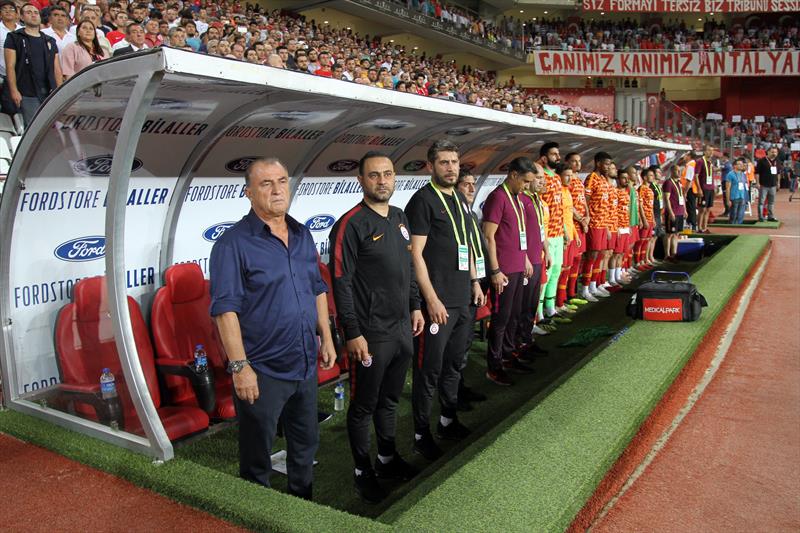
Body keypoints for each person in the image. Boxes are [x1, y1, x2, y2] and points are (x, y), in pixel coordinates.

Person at [210, 157, 337, 501]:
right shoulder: (232, 244)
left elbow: (316, 288)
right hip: (262, 370)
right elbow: (225, 311)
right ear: (249, 193)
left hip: (304, 362)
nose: (277, 189)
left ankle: (302, 505)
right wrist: (240, 368)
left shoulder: (302, 234)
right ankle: (258, 514)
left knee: (305, 444)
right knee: (257, 456)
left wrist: (325, 336)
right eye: (266, 184)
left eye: (282, 181)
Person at [328, 152, 424, 504]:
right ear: (361, 180)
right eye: (374, 175)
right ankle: (362, 472)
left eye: (387, 174)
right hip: (370, 334)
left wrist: (415, 306)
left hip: (401, 328)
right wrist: (352, 332)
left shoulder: (399, 217)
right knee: (364, 405)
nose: (382, 181)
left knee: (390, 399)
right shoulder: (350, 224)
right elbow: (341, 282)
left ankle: (386, 458)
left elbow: (408, 268)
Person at [404, 139, 484, 460]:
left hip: (463, 297)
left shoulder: (460, 199)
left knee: (454, 365)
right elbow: (416, 255)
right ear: (430, 166)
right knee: (429, 371)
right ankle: (421, 434)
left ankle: (447, 420)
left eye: (454, 162)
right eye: (444, 163)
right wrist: (431, 299)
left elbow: (466, 244)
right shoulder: (422, 201)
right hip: (437, 304)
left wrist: (474, 281)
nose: (451, 168)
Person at [482, 157, 536, 386]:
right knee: (501, 319)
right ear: (513, 175)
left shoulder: (517, 198)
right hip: (503, 271)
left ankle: (507, 356)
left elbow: (517, 233)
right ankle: (494, 367)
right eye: (525, 181)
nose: (527, 186)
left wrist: (525, 259)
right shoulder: (498, 197)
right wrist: (495, 270)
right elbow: (488, 236)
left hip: (518, 267)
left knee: (514, 316)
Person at [454, 170, 488, 409]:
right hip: (462, 286)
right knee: (457, 344)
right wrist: (473, 281)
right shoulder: (454, 215)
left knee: (466, 340)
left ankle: (460, 386)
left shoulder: (472, 213)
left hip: (476, 283)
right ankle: (452, 394)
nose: (471, 188)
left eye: (473, 184)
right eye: (465, 184)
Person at [4, 3, 62, 126]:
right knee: (34, 127)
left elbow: (57, 69)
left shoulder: (50, 40)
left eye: (36, 12)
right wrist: (14, 90)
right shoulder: (14, 37)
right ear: (21, 17)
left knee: (50, 128)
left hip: (49, 92)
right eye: (28, 12)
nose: (33, 15)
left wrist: (60, 91)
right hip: (26, 92)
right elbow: (10, 66)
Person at [537, 142, 568, 324]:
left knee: (556, 271)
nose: (558, 157)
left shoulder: (556, 178)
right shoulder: (541, 178)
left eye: (558, 154)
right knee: (545, 275)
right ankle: (538, 313)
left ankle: (550, 308)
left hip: (558, 233)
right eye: (554, 154)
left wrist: (564, 230)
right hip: (547, 236)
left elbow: (559, 207)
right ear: (544, 157)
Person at [579, 152, 614, 301]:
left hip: (603, 223)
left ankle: (594, 285)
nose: (608, 167)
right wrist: (587, 218)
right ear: (598, 163)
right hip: (594, 223)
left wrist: (607, 226)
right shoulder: (591, 178)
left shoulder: (604, 180)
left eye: (609, 164)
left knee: (600, 255)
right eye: (606, 164)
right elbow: (585, 200)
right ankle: (585, 288)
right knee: (591, 256)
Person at [565, 152, 589, 306]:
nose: (577, 164)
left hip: (582, 225)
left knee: (578, 259)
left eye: (579, 161)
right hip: (572, 226)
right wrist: (581, 219)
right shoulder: (567, 181)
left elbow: (583, 201)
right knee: (569, 262)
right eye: (574, 161)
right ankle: (565, 296)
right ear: (567, 162)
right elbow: (569, 205)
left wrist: (588, 216)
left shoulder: (579, 181)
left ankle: (572, 292)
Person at [662, 164, 686, 261]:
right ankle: (667, 255)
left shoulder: (679, 182)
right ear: (672, 171)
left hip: (680, 211)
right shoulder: (668, 183)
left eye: (679, 170)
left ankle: (674, 253)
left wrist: (684, 210)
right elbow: (666, 198)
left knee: (676, 234)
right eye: (677, 170)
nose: (679, 172)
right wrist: (670, 212)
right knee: (669, 234)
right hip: (673, 212)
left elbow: (682, 197)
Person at [693, 145, 715, 233]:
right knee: (702, 209)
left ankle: (705, 227)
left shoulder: (710, 162)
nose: (711, 152)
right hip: (704, 188)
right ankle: (699, 228)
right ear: (705, 151)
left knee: (708, 209)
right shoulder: (700, 161)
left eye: (712, 150)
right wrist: (699, 189)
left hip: (711, 188)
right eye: (709, 150)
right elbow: (696, 176)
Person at [756, 146, 780, 222]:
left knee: (771, 202)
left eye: (775, 152)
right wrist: (757, 183)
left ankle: (770, 216)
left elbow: (778, 173)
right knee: (761, 202)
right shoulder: (762, 161)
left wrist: (778, 183)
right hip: (764, 184)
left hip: (773, 185)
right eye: (772, 152)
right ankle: (760, 217)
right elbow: (757, 173)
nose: (774, 153)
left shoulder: (777, 161)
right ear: (768, 152)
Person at [725, 157, 748, 224]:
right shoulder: (730, 174)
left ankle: (739, 227)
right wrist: (728, 200)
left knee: (740, 216)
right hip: (734, 197)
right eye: (739, 164)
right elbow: (727, 188)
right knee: (733, 215)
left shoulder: (743, 175)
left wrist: (746, 198)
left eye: (742, 164)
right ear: (735, 166)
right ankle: (731, 227)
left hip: (742, 197)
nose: (741, 165)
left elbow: (745, 186)